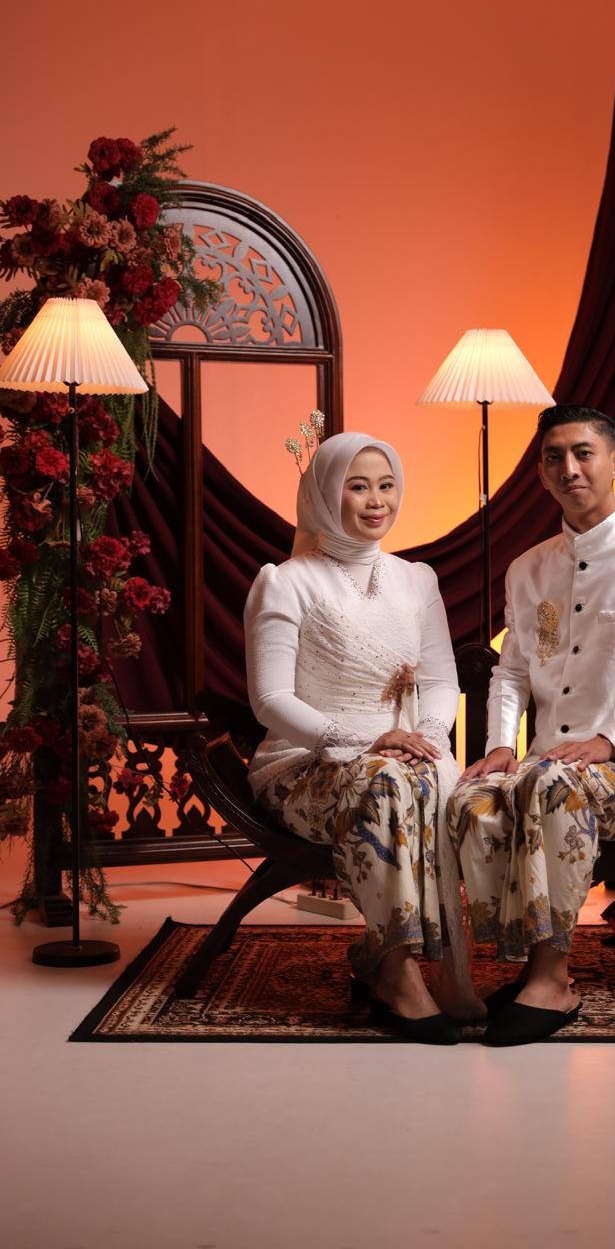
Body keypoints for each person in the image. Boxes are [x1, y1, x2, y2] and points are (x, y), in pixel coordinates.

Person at [448, 405, 615, 1046]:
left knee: (548, 789)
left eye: (583, 453)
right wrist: (500, 746)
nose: (569, 468)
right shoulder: (529, 568)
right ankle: (503, 961)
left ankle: (552, 979)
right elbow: (513, 672)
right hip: (544, 767)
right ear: (541, 474)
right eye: (554, 458)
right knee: (468, 800)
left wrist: (608, 741)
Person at [245, 430, 482, 1044]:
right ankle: (398, 973)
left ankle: (399, 960)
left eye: (387, 485)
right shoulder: (285, 582)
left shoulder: (417, 579)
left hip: (403, 755)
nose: (377, 501)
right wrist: (363, 740)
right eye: (358, 487)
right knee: (387, 782)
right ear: (326, 494)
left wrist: (427, 737)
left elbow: (440, 680)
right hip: (303, 763)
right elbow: (269, 699)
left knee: (427, 778)